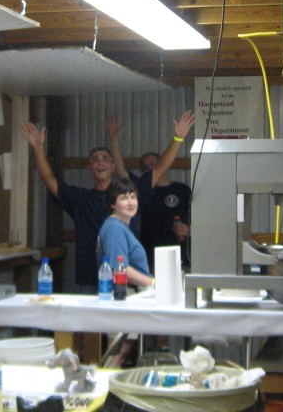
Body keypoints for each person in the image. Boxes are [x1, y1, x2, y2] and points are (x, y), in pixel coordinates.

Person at [21, 122, 116, 294]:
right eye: (95, 159)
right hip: (89, 279)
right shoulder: (80, 198)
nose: (100, 162)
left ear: (113, 167)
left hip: (121, 276)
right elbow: (49, 179)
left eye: (105, 159)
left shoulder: (125, 198)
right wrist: (38, 148)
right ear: (89, 168)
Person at [106, 111, 195, 269]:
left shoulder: (182, 189)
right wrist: (114, 140)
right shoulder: (141, 187)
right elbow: (120, 171)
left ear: (163, 163)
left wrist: (189, 230)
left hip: (181, 258)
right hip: (150, 258)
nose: (148, 167)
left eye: (153, 163)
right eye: (144, 166)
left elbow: (201, 220)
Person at [97, 178, 153, 368]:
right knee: (115, 357)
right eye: (123, 198)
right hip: (122, 295)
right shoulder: (114, 228)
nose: (130, 202)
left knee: (121, 354)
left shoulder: (123, 227)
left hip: (129, 295)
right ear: (113, 204)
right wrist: (152, 283)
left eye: (133, 197)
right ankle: (106, 395)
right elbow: (119, 268)